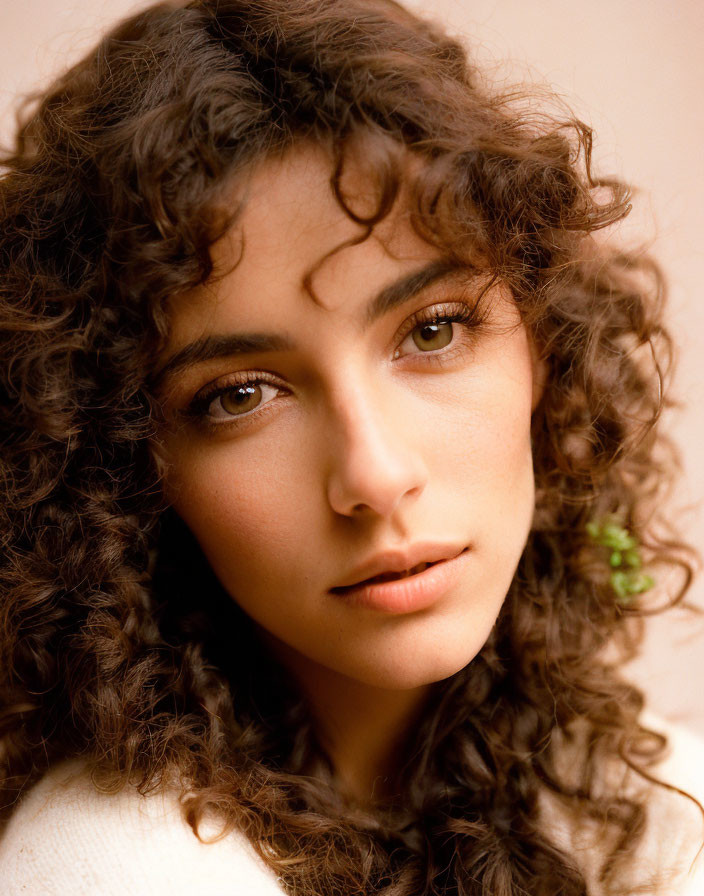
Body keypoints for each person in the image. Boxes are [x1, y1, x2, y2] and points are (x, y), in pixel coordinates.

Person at [0, 0, 702, 893]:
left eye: (435, 331)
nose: (376, 475)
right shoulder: (112, 865)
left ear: (547, 350)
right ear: (119, 468)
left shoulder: (660, 812)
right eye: (240, 395)